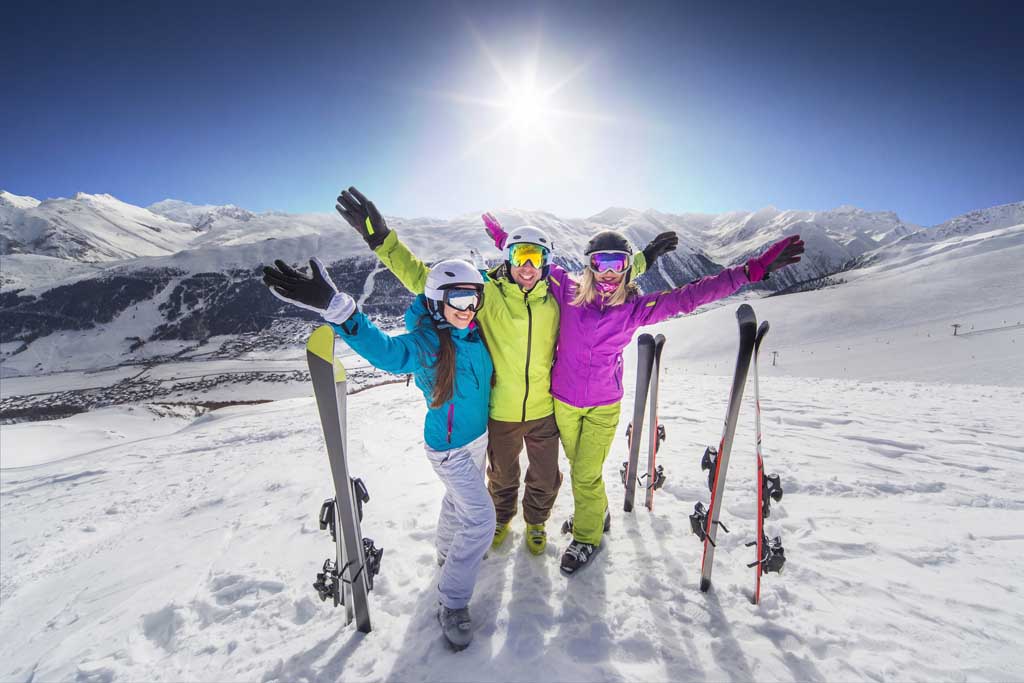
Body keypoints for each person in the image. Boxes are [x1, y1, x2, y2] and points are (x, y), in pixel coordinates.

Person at [334, 187, 669, 557]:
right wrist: (383, 241)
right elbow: (425, 280)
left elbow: (606, 274)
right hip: (501, 409)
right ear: (507, 258)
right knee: (502, 476)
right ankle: (501, 518)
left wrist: (644, 258)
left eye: (535, 257)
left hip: (544, 408)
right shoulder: (488, 292)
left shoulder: (560, 295)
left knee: (545, 477)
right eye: (519, 255)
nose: (527, 265)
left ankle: (537, 521)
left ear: (545, 262)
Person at [482, 217, 805, 575]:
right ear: (589, 266)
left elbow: (691, 296)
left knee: (585, 474)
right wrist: (501, 237)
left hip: (603, 405)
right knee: (581, 469)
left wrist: (751, 270)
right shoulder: (567, 290)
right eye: (600, 263)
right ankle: (598, 510)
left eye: (617, 264)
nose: (608, 273)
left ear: (626, 270)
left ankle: (588, 537)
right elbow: (529, 259)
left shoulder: (635, 309)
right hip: (563, 402)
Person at [262, 255, 494, 651]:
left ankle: (445, 555)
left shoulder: (472, 333)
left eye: (475, 300)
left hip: (477, 440)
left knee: (458, 504)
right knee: (481, 520)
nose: (468, 309)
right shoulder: (428, 344)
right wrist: (340, 309)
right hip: (449, 449)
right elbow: (386, 351)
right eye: (458, 300)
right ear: (438, 301)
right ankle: (452, 603)